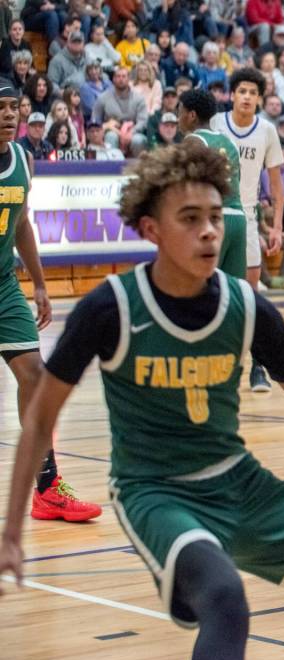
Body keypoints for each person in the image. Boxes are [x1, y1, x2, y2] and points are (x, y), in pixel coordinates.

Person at [0, 142, 284, 660]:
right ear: (151, 230)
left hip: (241, 484)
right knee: (227, 599)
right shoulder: (109, 307)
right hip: (154, 490)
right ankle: (193, 579)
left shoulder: (247, 305)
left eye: (214, 217)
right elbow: (39, 418)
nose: (209, 231)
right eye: (190, 219)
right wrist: (13, 531)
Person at [0, 82, 102, 522]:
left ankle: (48, 489)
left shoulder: (22, 158)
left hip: (4, 285)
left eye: (13, 108)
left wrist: (40, 283)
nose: (8, 115)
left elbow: (21, 221)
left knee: (36, 377)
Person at [211, 67, 284, 393]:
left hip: (249, 217)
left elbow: (277, 185)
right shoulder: (215, 125)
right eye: (241, 91)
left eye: (253, 92)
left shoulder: (267, 130)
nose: (246, 97)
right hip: (214, 216)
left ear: (259, 98)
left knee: (250, 297)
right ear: (232, 95)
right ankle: (217, 363)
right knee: (211, 292)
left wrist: (277, 227)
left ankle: (258, 366)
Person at [178, 88, 247, 279]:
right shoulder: (229, 141)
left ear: (191, 115)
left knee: (201, 287)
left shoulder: (193, 140)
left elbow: (185, 186)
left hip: (214, 219)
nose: (178, 119)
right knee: (234, 289)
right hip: (239, 218)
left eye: (180, 112)